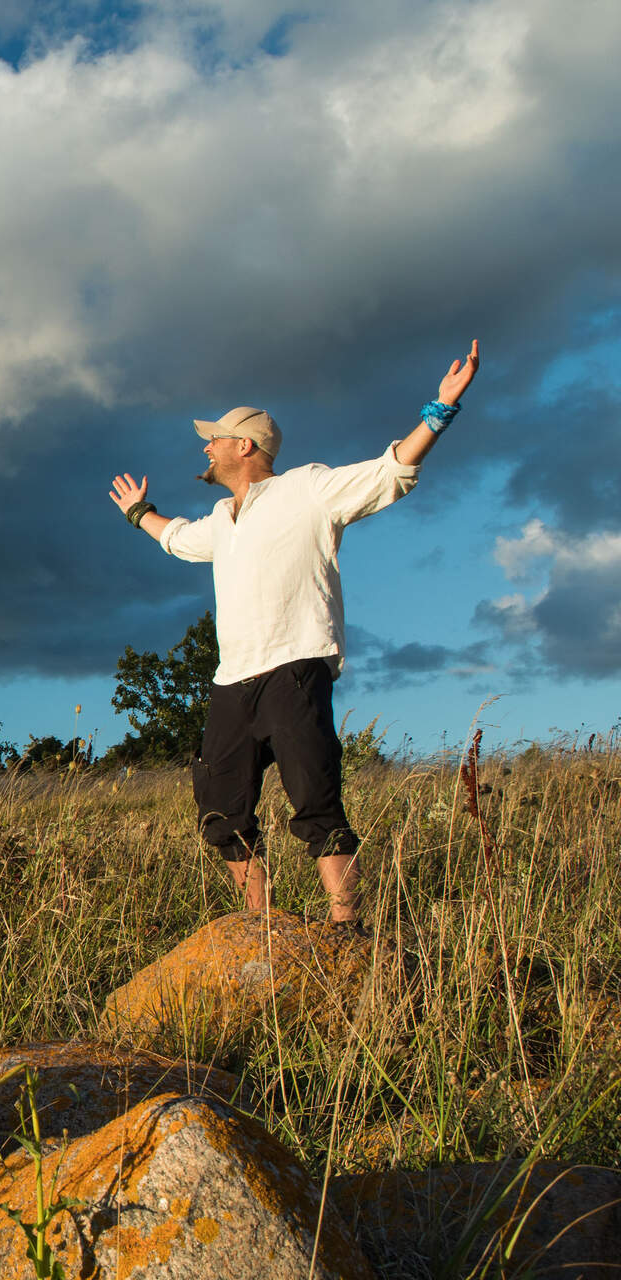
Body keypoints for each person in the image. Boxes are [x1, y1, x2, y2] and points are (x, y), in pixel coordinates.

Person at [108, 340, 480, 925]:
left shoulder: (308, 489)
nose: (204, 447)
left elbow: (390, 473)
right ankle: (258, 925)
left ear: (245, 446)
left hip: (294, 667)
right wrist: (138, 512)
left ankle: (345, 927)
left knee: (314, 799)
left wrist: (441, 408)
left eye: (214, 438)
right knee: (220, 811)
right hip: (232, 682)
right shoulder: (221, 521)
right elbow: (178, 539)